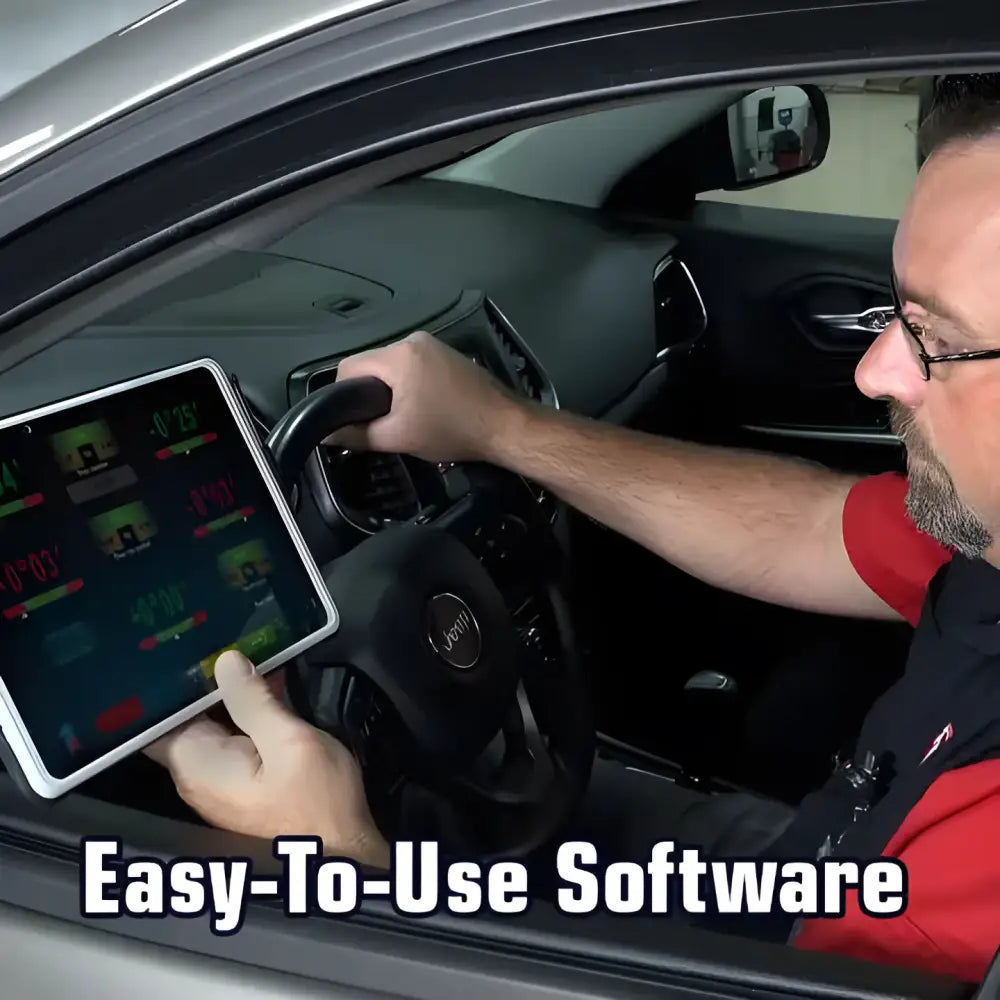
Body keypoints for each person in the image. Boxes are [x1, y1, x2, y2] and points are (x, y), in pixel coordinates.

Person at [147, 74, 1000, 981]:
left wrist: (333, 864)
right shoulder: (981, 533)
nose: (875, 372)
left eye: (935, 339)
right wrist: (499, 427)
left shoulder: (968, 892)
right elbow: (812, 530)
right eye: (895, 314)